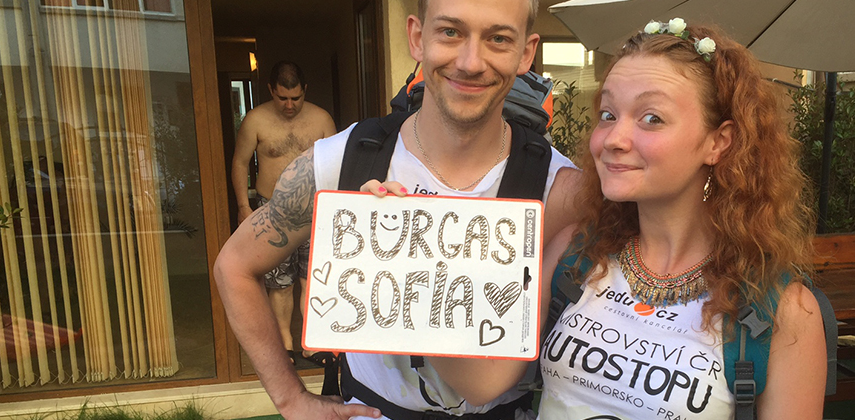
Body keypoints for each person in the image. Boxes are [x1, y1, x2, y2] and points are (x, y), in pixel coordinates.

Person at [431, 20, 827, 419]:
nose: (613, 139)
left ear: (718, 142)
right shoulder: (576, 252)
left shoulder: (782, 312)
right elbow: (482, 384)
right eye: (607, 114)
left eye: (651, 118)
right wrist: (411, 264)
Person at [214, 1, 581, 419]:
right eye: (450, 32)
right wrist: (289, 399)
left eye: (498, 38)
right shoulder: (344, 160)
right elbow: (234, 266)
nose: (470, 62)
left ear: (526, 53)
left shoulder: (557, 183)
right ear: (416, 37)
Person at [230, 61, 337, 365]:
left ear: (305, 91)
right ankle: (285, 345)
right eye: (282, 98)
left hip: (315, 210)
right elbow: (240, 162)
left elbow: (337, 162)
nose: (289, 105)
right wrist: (243, 206)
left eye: (295, 98)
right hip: (272, 210)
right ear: (270, 91)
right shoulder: (255, 120)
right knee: (280, 282)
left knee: (313, 278)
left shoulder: (322, 119)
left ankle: (312, 343)